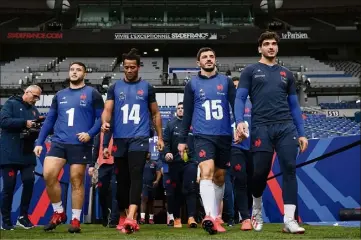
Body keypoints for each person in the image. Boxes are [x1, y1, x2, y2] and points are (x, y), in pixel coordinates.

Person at [234, 31, 308, 234]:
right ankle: (256, 209)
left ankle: (289, 220)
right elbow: (240, 99)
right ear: (260, 48)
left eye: (274, 43)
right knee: (260, 173)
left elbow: (294, 106)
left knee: (290, 168)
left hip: (285, 126)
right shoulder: (250, 71)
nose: (271, 47)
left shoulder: (287, 74)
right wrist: (239, 121)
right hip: (261, 127)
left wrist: (301, 133)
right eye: (266, 43)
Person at [33, 62, 104, 233]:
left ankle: (75, 220)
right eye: (72, 69)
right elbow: (50, 119)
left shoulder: (92, 93)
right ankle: (59, 212)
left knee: (76, 180)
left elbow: (101, 118)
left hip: (80, 143)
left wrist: (90, 133)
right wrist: (39, 142)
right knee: (48, 174)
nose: (74, 72)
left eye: (78, 70)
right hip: (59, 141)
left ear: (84, 74)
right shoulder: (59, 95)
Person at [101, 48, 164, 234]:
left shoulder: (147, 87)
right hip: (120, 138)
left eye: (133, 67)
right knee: (121, 180)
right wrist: (105, 125)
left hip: (140, 137)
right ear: (123, 67)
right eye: (126, 67)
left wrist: (160, 137)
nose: (129, 70)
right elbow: (108, 110)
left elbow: (155, 113)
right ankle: (123, 214)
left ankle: (132, 217)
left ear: (138, 67)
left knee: (136, 175)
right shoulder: (114, 87)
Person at [178, 47, 236, 235]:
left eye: (211, 56)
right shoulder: (192, 85)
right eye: (205, 57)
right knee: (206, 171)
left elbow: (236, 106)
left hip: (224, 134)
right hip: (202, 134)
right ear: (198, 63)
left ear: (215, 60)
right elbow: (187, 114)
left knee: (219, 177)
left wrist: (241, 125)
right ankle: (209, 216)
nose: (209, 59)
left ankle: (217, 217)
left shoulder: (226, 82)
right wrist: (182, 139)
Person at [0, 85, 42, 230]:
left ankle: (23, 217)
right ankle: (6, 221)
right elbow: (3, 121)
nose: (36, 99)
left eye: (38, 97)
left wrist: (36, 128)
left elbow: (35, 129)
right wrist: (24, 123)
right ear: (27, 92)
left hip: (27, 153)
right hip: (10, 153)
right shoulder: (11, 103)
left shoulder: (35, 111)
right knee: (9, 187)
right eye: (34, 96)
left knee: (29, 182)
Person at [163, 102, 198, 229]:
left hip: (190, 163)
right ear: (176, 111)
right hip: (175, 163)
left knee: (191, 189)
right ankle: (177, 218)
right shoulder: (170, 124)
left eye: (183, 108)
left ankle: (191, 218)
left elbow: (198, 141)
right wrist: (167, 153)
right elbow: (165, 142)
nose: (181, 110)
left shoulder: (193, 123)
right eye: (178, 108)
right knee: (175, 191)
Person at [230, 76, 253, 231]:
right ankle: (244, 217)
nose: (237, 89)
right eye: (234, 86)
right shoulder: (225, 104)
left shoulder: (252, 103)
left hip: (253, 148)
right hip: (235, 147)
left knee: (252, 183)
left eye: (239, 86)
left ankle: (248, 214)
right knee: (240, 180)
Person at [88, 132, 119, 228]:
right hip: (103, 166)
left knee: (115, 193)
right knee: (102, 193)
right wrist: (92, 165)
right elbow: (96, 150)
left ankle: (114, 220)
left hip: (116, 165)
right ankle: (105, 215)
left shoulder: (119, 132)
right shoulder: (99, 134)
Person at [139, 152, 161, 224]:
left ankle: (151, 219)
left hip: (152, 185)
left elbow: (158, 172)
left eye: (149, 153)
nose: (148, 154)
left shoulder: (154, 163)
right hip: (143, 185)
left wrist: (157, 180)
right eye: (147, 153)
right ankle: (142, 218)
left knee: (151, 202)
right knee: (143, 200)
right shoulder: (141, 163)